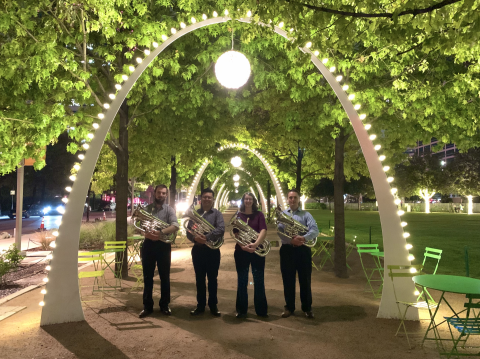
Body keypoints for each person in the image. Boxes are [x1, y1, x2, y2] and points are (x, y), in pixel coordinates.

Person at [277, 189, 319, 319]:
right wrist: (291, 240)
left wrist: (304, 238)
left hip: (303, 250)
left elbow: (315, 230)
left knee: (305, 279)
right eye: (290, 198)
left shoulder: (306, 215)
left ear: (298, 199)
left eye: (295, 197)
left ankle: (307, 308)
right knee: (288, 280)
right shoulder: (283, 215)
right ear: (287, 199)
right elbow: (279, 231)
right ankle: (289, 307)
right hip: (287, 250)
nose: (292, 200)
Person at [139, 185, 179, 318]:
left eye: (163, 193)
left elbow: (175, 225)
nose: (160, 195)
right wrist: (146, 233)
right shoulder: (146, 209)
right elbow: (139, 225)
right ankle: (147, 306)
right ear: (154, 193)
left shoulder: (169, 210)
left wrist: (160, 232)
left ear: (166, 195)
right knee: (147, 277)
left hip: (163, 245)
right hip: (149, 245)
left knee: (164, 277)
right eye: (158, 193)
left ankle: (164, 305)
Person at [186, 188, 225, 316]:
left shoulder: (217, 214)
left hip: (212, 250)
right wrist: (194, 238)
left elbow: (221, 229)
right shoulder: (195, 214)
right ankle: (200, 305)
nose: (207, 199)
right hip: (198, 250)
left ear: (212, 199)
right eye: (204, 197)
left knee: (213, 279)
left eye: (209, 197)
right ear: (201, 199)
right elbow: (188, 231)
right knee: (199, 279)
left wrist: (206, 238)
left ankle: (213, 305)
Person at [233, 192, 268, 319]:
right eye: (246, 199)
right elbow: (235, 233)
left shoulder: (259, 215)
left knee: (258, 280)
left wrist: (256, 244)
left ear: (253, 201)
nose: (248, 201)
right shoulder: (238, 215)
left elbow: (263, 230)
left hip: (256, 251)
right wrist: (242, 246)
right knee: (242, 280)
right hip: (241, 251)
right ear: (243, 201)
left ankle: (261, 310)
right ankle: (241, 310)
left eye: (250, 199)